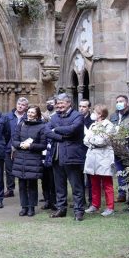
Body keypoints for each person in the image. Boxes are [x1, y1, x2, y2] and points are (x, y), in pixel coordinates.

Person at [45, 92, 87, 220]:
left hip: (72, 156)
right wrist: (62, 135)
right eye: (57, 104)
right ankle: (61, 209)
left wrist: (56, 130)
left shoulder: (77, 115)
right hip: (56, 156)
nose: (58, 106)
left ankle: (79, 211)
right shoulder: (54, 117)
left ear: (69, 103)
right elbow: (46, 131)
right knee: (59, 186)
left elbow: (72, 130)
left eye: (61, 103)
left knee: (76, 186)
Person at [11, 105, 47, 216]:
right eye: (29, 112)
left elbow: (43, 145)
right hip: (21, 158)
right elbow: (14, 139)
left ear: (37, 114)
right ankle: (24, 207)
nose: (30, 114)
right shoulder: (21, 124)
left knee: (32, 184)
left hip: (33, 158)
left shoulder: (42, 127)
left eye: (32, 112)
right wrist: (20, 144)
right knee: (21, 185)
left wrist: (30, 146)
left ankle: (31, 207)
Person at [84, 104, 116, 216]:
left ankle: (110, 207)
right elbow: (85, 140)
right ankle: (95, 205)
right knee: (94, 182)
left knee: (107, 183)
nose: (93, 113)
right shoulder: (93, 125)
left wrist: (92, 140)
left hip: (104, 157)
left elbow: (102, 141)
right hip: (92, 156)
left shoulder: (109, 125)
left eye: (95, 111)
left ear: (100, 114)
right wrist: (93, 140)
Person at [2, 97, 29, 198]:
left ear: (26, 107)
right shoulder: (8, 116)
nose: (20, 106)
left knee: (24, 169)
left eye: (22, 105)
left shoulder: (28, 117)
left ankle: (26, 189)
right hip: (9, 147)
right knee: (9, 169)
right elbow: (3, 131)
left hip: (23, 147)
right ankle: (10, 189)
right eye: (19, 104)